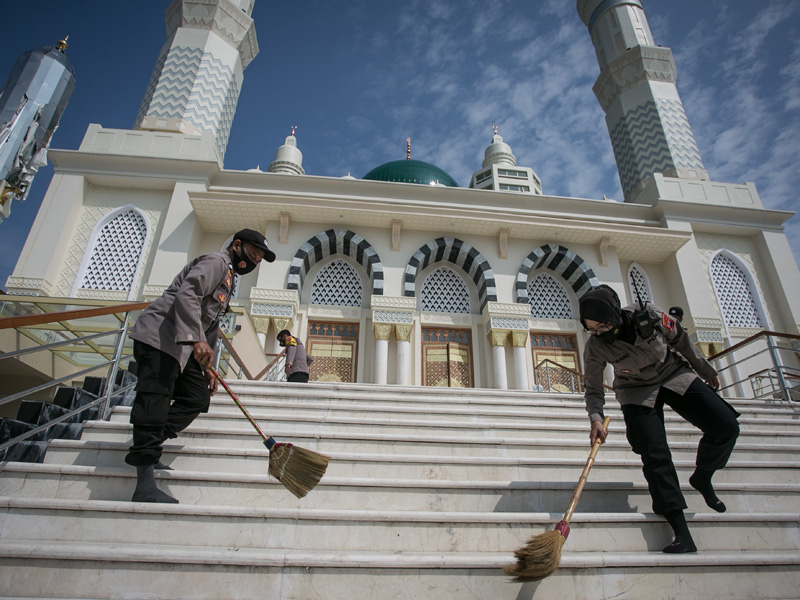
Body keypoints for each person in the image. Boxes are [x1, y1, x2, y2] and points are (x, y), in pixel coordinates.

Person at [579, 285, 739, 554]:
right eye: (591, 329)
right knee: (655, 455)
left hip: (673, 374)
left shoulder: (650, 315)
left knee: (726, 426)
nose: (598, 334)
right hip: (635, 390)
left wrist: (705, 370)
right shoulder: (595, 346)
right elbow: (593, 387)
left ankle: (702, 476)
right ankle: (680, 531)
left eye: (603, 327)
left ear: (614, 314)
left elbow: (681, 340)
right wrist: (596, 418)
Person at [125, 229, 276, 503]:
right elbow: (188, 295)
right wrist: (196, 340)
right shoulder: (216, 262)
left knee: (197, 397)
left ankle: (149, 441)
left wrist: (208, 367)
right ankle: (144, 483)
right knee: (155, 400)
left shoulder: (229, 279)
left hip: (182, 347)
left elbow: (211, 325)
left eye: (258, 260)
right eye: (252, 255)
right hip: (160, 338)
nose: (253, 262)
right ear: (237, 246)